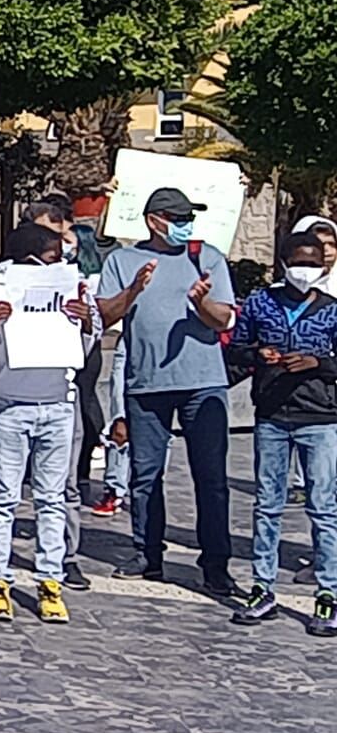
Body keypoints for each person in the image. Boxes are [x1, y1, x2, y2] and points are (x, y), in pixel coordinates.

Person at [97, 187, 238, 595]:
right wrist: (134, 291)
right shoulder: (122, 260)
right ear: (154, 220)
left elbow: (223, 319)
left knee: (210, 477)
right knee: (145, 474)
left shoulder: (206, 257)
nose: (184, 225)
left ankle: (215, 563)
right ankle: (147, 554)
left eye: (187, 218)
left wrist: (202, 303)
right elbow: (105, 315)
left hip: (203, 384)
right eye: (176, 218)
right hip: (147, 385)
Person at [0, 223, 100, 623]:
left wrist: (87, 322)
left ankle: (49, 581)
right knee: (4, 498)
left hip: (58, 404)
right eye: (51, 257)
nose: (60, 264)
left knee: (51, 499)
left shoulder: (74, 289)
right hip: (11, 406)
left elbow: (85, 347)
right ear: (26, 258)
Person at [227, 232, 337, 634]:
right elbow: (236, 350)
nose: (305, 269)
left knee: (323, 508)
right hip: (272, 415)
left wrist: (317, 364)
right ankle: (262, 587)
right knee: (267, 505)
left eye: (314, 262)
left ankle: (328, 593)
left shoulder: (332, 310)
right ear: (284, 264)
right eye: (298, 262)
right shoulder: (260, 303)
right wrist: (259, 354)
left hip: (320, 418)